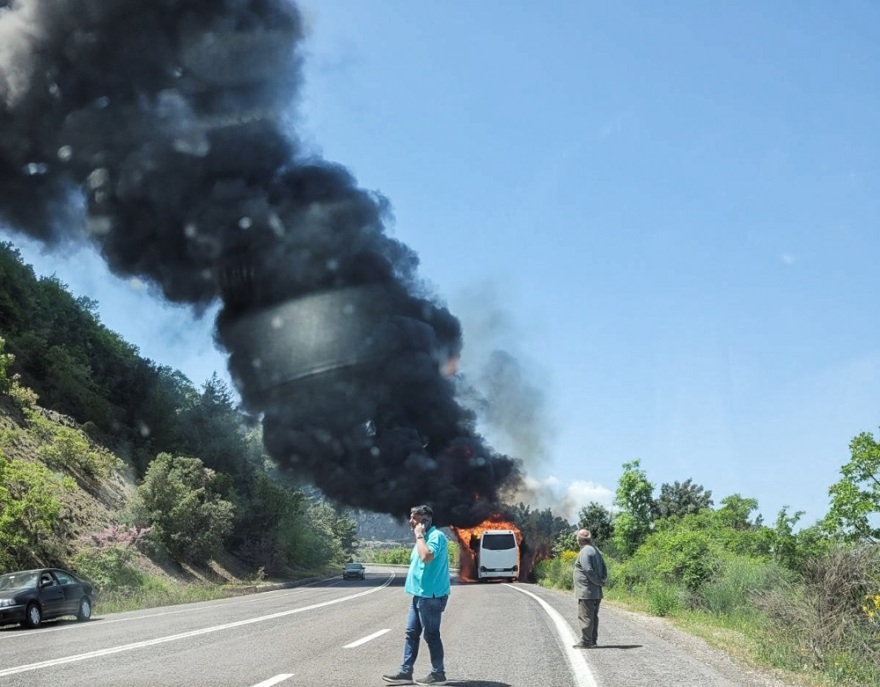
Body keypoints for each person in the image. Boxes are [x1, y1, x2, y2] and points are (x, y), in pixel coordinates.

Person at [383, 504, 451, 686]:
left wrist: (420, 536)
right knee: (411, 633)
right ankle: (406, 672)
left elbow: (426, 557)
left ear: (426, 519)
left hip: (431, 596)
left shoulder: (436, 536)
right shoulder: (423, 537)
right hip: (419, 595)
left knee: (431, 635)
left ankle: (438, 674)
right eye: (411, 517)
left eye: (415, 518)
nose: (411, 522)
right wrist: (420, 537)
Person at [572, 528, 608, 648]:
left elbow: (588, 570)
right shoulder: (595, 550)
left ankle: (587, 641)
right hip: (596, 591)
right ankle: (592, 640)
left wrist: (598, 581)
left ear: (580, 540)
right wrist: (602, 580)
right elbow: (604, 567)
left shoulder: (585, 552)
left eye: (577, 538)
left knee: (586, 616)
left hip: (587, 591)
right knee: (593, 616)